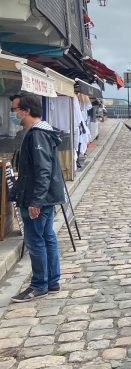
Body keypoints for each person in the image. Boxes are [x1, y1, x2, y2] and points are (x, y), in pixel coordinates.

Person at [9, 93, 66, 302]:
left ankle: (39, 284)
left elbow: (42, 170)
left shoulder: (36, 135)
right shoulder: (40, 132)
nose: (14, 114)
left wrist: (36, 200)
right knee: (47, 237)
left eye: (15, 110)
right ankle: (51, 281)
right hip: (45, 196)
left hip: (38, 197)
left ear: (25, 110)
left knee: (36, 240)